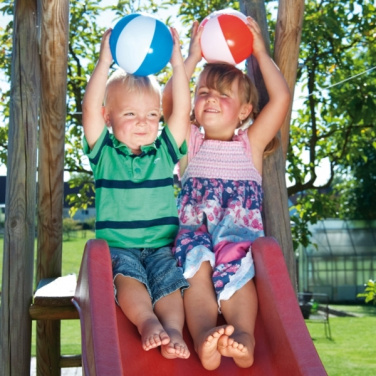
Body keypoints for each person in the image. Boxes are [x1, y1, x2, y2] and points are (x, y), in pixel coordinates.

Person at [162, 17, 291, 369]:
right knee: (194, 272)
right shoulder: (190, 142)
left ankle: (244, 337)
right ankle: (205, 334)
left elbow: (280, 97)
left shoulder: (251, 144)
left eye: (223, 95)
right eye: (203, 92)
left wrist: (261, 52)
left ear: (246, 111)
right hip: (195, 237)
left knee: (238, 276)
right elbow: (169, 105)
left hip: (239, 239)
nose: (210, 99)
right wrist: (191, 57)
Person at [82, 26, 191, 359]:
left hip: (161, 245)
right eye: (130, 114)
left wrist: (177, 63)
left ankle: (173, 330)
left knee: (169, 284)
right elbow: (88, 110)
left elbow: (182, 111)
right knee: (130, 282)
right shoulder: (104, 154)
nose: (143, 122)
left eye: (152, 115)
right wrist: (103, 62)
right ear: (108, 117)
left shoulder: (165, 152)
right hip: (119, 247)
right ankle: (147, 322)